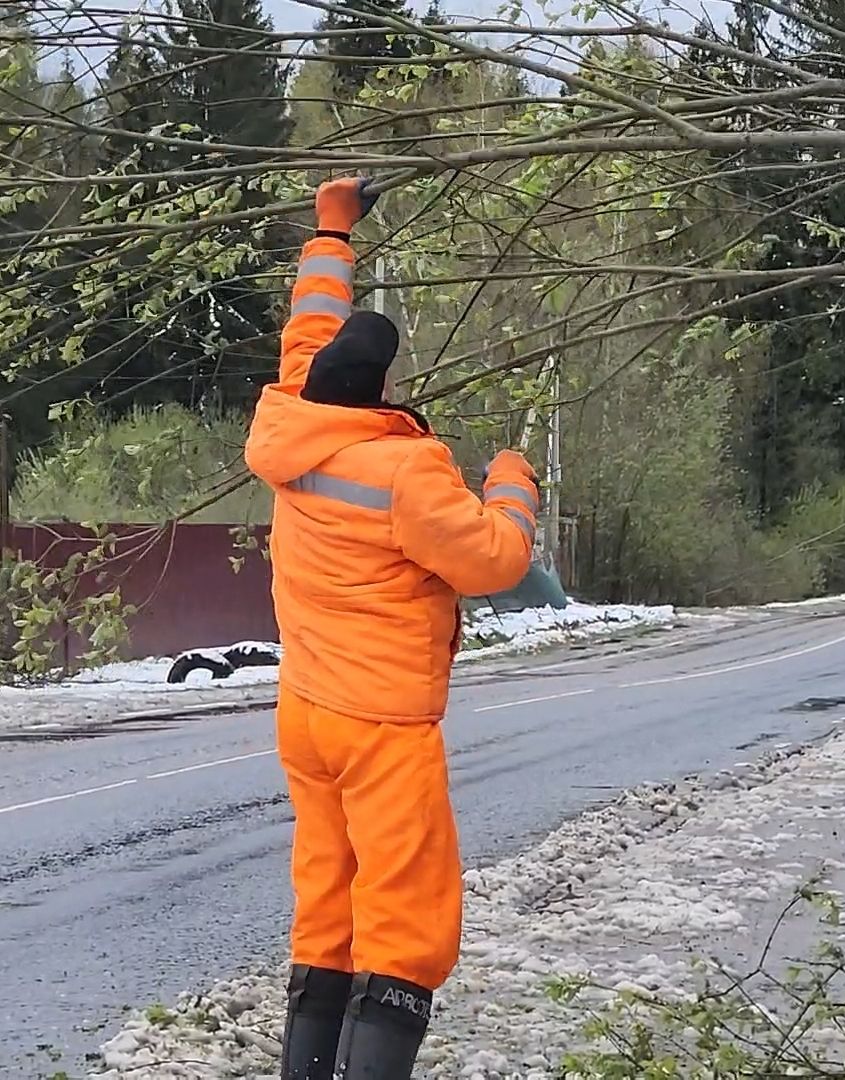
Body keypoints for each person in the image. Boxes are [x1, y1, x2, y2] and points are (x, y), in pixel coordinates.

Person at [244, 176, 541, 1078]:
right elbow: (494, 562)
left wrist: (332, 229)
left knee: (328, 896)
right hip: (381, 722)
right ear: (381, 389)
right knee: (404, 914)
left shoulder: (290, 422)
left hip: (307, 710)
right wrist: (512, 486)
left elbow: (308, 325)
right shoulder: (403, 472)